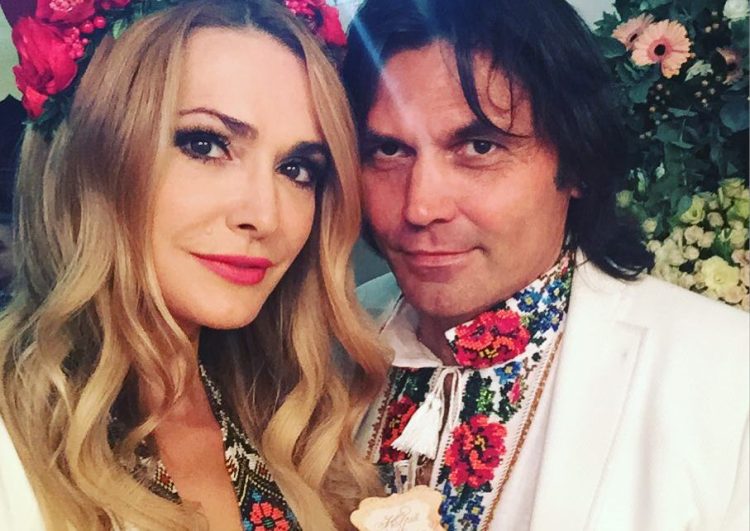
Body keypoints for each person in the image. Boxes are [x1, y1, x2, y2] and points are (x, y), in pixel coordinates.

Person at [342, 0, 749, 529]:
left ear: (576, 161)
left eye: (479, 147)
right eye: (389, 151)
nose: (421, 207)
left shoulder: (726, 378)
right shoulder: (326, 344)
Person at [0, 0, 389, 529]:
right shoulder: (15, 441)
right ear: (88, 160)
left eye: (297, 169)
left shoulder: (289, 414)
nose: (265, 216)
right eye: (205, 144)